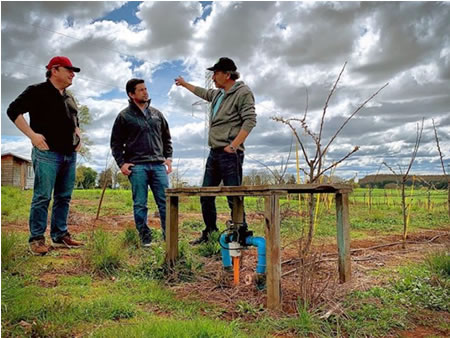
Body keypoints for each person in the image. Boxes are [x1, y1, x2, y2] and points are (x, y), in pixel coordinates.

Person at [6, 56, 84, 255]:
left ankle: (59, 235)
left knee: (64, 197)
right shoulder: (36, 91)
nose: (72, 74)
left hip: (69, 155)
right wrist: (32, 136)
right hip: (47, 153)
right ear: (55, 70)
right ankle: (37, 239)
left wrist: (79, 138)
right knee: (42, 197)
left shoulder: (70, 97)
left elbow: (75, 121)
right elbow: (13, 110)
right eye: (69, 70)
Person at [175, 57, 257, 244]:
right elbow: (203, 93)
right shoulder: (218, 94)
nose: (213, 77)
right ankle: (210, 232)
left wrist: (234, 145)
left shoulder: (242, 92)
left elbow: (250, 120)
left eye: (216, 73)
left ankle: (240, 234)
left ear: (227, 74)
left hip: (230, 153)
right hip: (215, 152)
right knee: (206, 194)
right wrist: (184, 84)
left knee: (233, 195)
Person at [110, 79, 173, 246]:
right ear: (131, 94)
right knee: (140, 204)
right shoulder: (124, 116)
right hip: (137, 166)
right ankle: (145, 238)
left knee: (165, 202)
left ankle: (169, 238)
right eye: (141, 90)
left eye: (146, 89)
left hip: (158, 165)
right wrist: (121, 164)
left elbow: (166, 138)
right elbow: (115, 143)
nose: (145, 92)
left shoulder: (157, 114)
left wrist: (168, 158)